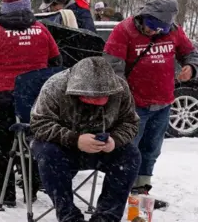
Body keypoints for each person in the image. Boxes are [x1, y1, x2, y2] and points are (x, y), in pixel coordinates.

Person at [0, 0, 62, 206]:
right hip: (36, 99)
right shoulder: (41, 31)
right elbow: (56, 61)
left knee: (3, 145)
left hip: (3, 96)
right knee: (34, 142)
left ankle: (5, 194)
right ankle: (31, 189)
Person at [103, 0, 198, 208]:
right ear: (144, 16)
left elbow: (190, 52)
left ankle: (141, 194)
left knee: (151, 151)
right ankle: (118, 193)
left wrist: (191, 67)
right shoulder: (123, 30)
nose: (154, 32)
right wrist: (123, 100)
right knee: (128, 151)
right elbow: (112, 69)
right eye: (151, 27)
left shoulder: (174, 31)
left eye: (160, 30)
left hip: (163, 103)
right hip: (133, 106)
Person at [31, 57, 141, 222]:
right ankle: (69, 216)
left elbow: (130, 122)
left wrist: (115, 140)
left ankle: (106, 217)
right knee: (47, 153)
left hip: (102, 147)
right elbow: (39, 124)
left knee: (130, 155)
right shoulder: (55, 86)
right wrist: (74, 139)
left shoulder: (120, 88)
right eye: (91, 97)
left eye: (103, 97)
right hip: (62, 147)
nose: (97, 101)